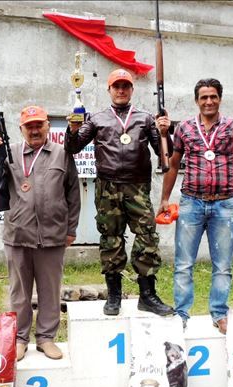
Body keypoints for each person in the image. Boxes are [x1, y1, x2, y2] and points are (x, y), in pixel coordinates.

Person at [158, 78, 233, 334]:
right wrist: (165, 198)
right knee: (183, 264)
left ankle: (219, 313)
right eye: (203, 97)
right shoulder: (185, 128)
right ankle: (182, 314)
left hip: (224, 206)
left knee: (223, 266)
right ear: (196, 100)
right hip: (190, 205)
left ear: (220, 98)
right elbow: (173, 165)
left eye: (213, 97)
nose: (208, 101)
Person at [66, 68, 174, 317]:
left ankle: (147, 295)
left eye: (126, 86)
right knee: (111, 238)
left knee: (147, 237)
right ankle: (114, 296)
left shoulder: (146, 119)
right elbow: (73, 147)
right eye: (117, 86)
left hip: (138, 187)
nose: (121, 90)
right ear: (109, 90)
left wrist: (165, 132)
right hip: (108, 188)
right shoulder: (96, 119)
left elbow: (164, 154)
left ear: (132, 90)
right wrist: (73, 128)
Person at [0, 105, 80, 362]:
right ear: (21, 129)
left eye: (39, 124)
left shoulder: (62, 153)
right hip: (18, 234)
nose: (35, 130)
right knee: (20, 292)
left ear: (48, 126)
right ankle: (19, 339)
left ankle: (46, 338)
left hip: (53, 235)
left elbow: (73, 192)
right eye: (30, 126)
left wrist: (71, 229)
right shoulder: (10, 153)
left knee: (50, 290)